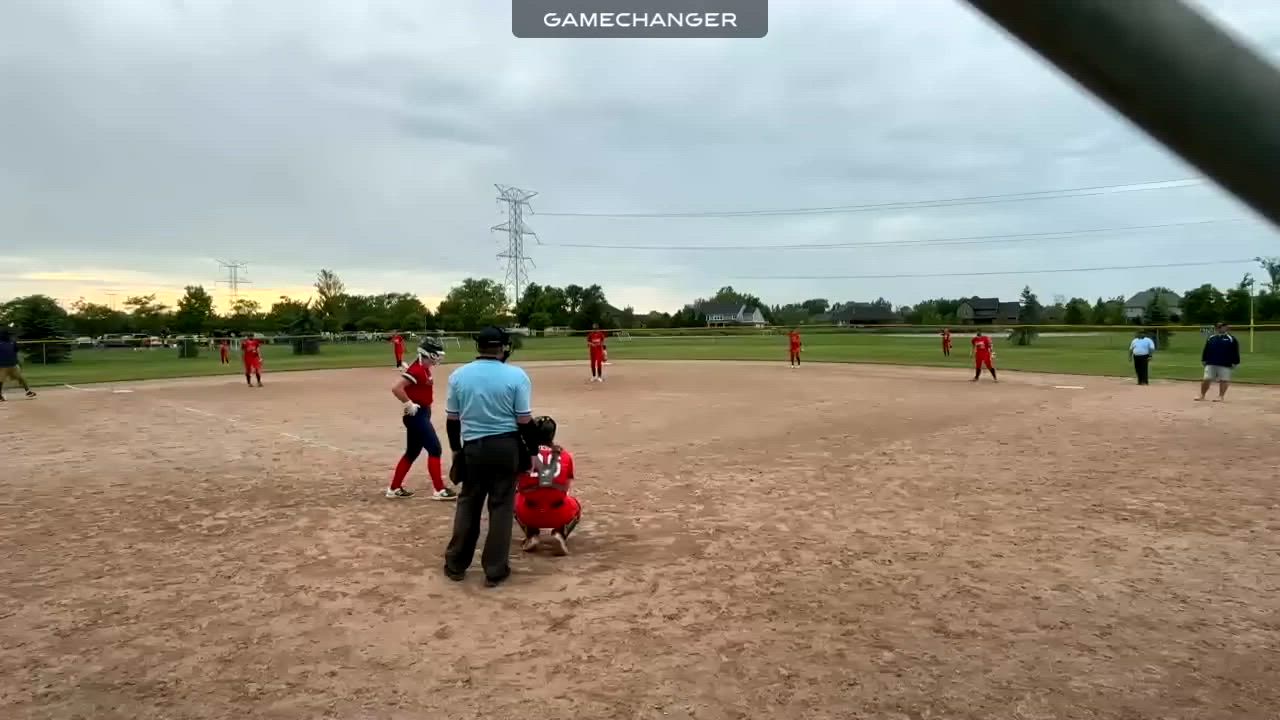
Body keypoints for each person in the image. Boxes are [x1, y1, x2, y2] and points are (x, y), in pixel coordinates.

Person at [443, 326, 537, 588]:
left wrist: (456, 450)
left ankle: (456, 564)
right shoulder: (516, 375)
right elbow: (524, 420)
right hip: (506, 447)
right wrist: (532, 451)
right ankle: (495, 570)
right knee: (501, 507)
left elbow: (452, 420)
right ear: (503, 347)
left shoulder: (458, 375)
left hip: (473, 447)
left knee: (468, 503)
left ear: (479, 347)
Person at [387, 337, 455, 500]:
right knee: (435, 448)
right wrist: (408, 403)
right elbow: (396, 388)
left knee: (412, 452)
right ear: (428, 354)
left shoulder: (422, 368)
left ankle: (394, 488)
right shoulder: (417, 370)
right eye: (436, 354)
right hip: (417, 415)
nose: (438, 358)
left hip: (421, 414)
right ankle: (439, 490)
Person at [515, 416, 582, 557]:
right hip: (559, 513)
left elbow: (517, 483)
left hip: (529, 512)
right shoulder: (565, 455)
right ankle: (560, 534)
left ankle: (531, 535)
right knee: (576, 505)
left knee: (513, 498)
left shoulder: (523, 453)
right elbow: (565, 487)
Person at [1197, 322, 1241, 402]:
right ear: (1217, 328)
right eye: (1219, 327)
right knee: (1206, 379)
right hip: (1211, 362)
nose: (1222, 328)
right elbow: (1206, 349)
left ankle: (1221, 396)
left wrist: (1235, 362)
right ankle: (1202, 395)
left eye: (1223, 326)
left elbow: (1235, 351)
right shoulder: (1211, 338)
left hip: (1225, 363)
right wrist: (1204, 359)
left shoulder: (1231, 339)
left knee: (1224, 380)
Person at [0, 329, 37, 401]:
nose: (8, 336)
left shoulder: (12, 342)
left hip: (13, 365)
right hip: (2, 366)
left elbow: (16, 350)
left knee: (21, 378)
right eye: (7, 335)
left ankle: (28, 392)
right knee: (0, 381)